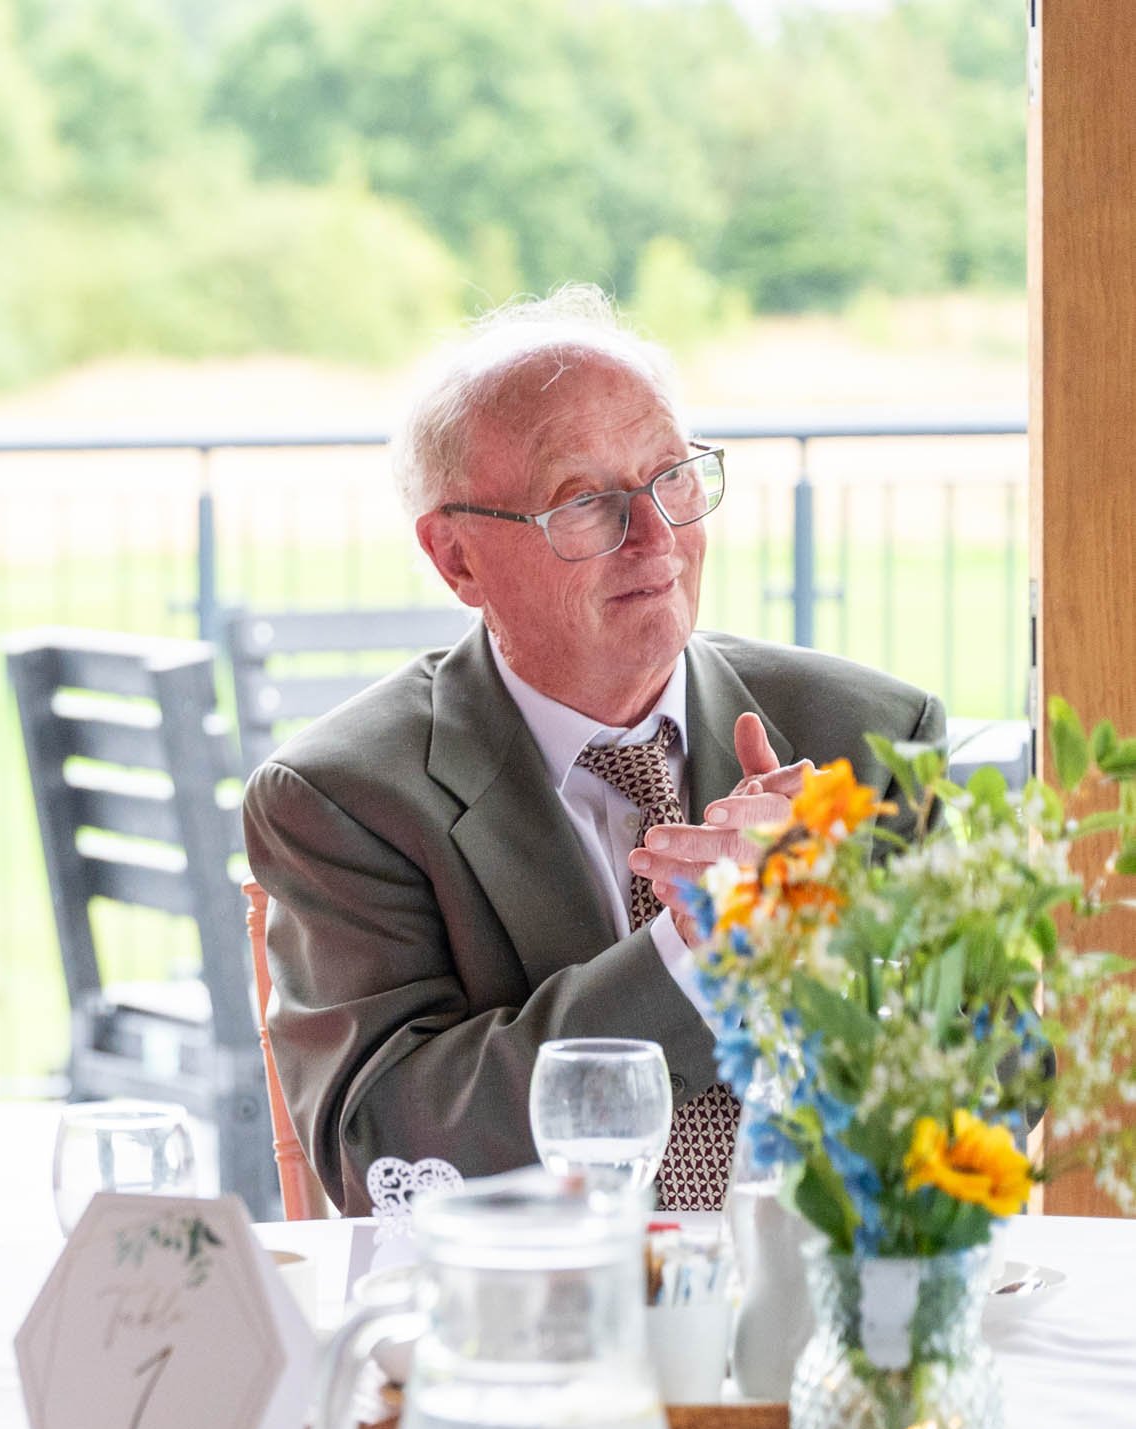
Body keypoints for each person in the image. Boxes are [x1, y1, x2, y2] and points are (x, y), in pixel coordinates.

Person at [244, 287, 941, 1214]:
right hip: (532, 1330)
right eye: (585, 501)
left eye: (674, 476)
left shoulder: (870, 741)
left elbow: (1001, 1089)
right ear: (456, 559)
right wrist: (698, 953)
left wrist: (842, 946)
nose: (657, 535)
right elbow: (391, 1156)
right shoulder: (345, 797)